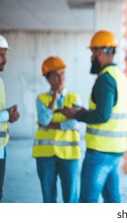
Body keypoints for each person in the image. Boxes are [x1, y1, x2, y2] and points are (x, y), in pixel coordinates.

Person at [60, 30, 127, 203]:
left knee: (87, 201)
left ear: (100, 52)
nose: (91, 57)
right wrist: (83, 111)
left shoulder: (105, 79)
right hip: (115, 150)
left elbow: (102, 115)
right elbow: (109, 111)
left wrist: (76, 114)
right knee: (113, 200)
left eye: (92, 52)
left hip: (100, 152)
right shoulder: (121, 77)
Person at [32, 56, 81, 203]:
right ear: (48, 79)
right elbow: (43, 120)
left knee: (71, 198)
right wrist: (54, 99)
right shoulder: (41, 99)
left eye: (63, 73)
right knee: (48, 198)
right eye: (56, 75)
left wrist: (51, 126)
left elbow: (74, 123)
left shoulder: (74, 98)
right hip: (45, 155)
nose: (61, 78)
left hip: (69, 155)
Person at [0, 34, 20, 202]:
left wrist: (8, 115)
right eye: (1, 54)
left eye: (5, 54)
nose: (5, 59)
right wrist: (6, 114)